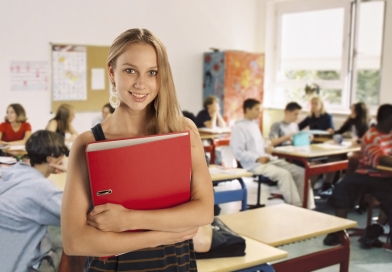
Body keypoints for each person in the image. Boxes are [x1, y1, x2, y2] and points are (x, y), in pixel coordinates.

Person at [61, 28, 213, 271]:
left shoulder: (183, 131)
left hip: (176, 265)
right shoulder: (89, 144)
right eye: (130, 70)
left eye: (152, 72)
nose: (141, 84)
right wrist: (162, 235)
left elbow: (203, 212)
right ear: (112, 72)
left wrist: (128, 219)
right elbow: (75, 241)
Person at [324, 104, 392, 247]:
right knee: (343, 187)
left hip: (391, 176)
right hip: (368, 174)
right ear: (390, 118)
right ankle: (338, 231)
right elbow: (381, 159)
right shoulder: (371, 135)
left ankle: (377, 228)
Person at [0, 130, 68, 272]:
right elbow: (77, 214)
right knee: (65, 245)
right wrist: (73, 171)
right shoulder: (42, 190)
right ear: (51, 158)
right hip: (12, 266)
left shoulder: (14, 171)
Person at [230, 98, 315, 209]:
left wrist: (267, 147)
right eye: (257, 109)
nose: (259, 113)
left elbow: (260, 145)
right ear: (247, 109)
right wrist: (257, 158)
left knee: (301, 172)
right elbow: (238, 152)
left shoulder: (254, 125)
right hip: (253, 164)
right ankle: (296, 206)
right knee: (284, 174)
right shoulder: (238, 127)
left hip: (267, 159)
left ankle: (308, 205)